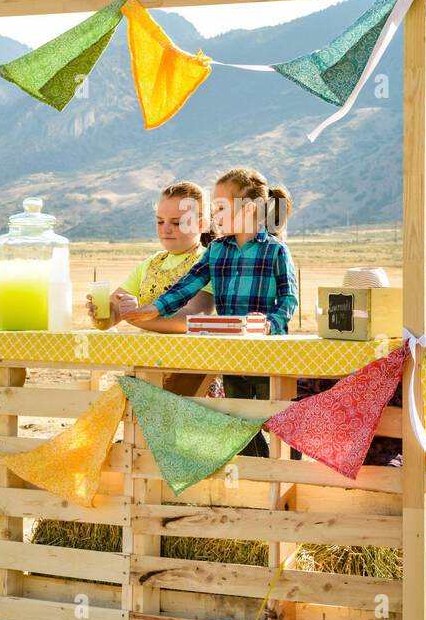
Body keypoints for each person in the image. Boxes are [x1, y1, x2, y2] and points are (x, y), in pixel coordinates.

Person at [121, 166, 298, 455]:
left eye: (220, 207)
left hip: (269, 354)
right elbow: (186, 287)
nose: (214, 214)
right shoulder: (217, 250)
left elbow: (289, 300)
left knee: (276, 417)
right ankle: (256, 475)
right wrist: (154, 308)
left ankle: (291, 474)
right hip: (231, 353)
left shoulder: (275, 251)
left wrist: (270, 325)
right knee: (239, 419)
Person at [86, 180, 214, 334]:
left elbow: (194, 319)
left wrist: (137, 316)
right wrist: (101, 314)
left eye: (176, 223)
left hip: (190, 356)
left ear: (201, 225)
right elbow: (111, 318)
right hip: (148, 357)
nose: (166, 229)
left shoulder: (209, 262)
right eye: (160, 221)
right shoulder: (150, 264)